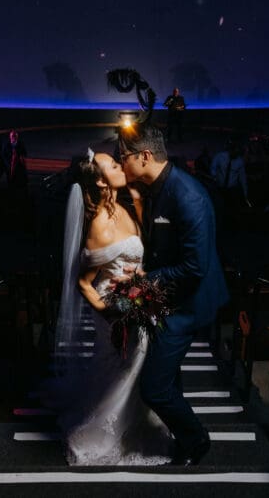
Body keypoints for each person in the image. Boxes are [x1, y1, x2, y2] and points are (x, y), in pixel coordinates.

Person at [48, 150, 172, 466]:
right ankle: (103, 432)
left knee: (138, 364)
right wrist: (114, 314)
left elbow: (135, 259)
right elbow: (84, 284)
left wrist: (143, 283)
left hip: (135, 300)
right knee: (124, 364)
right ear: (102, 181)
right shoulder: (99, 226)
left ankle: (139, 421)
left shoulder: (125, 207)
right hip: (114, 309)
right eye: (114, 165)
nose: (120, 164)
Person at [118, 124, 229, 466]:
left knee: (154, 389)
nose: (122, 164)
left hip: (188, 305)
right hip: (170, 297)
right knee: (167, 378)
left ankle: (196, 443)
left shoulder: (188, 196)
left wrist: (147, 279)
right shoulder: (154, 187)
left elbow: (194, 267)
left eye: (124, 157)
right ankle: (183, 435)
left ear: (145, 156)